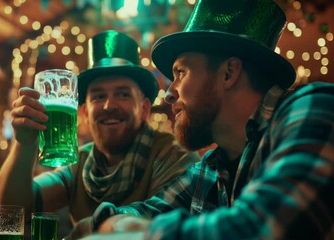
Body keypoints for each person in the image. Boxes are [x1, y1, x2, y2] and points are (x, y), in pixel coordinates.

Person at [69, 0, 334, 239]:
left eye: (180, 73)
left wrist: (144, 234)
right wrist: (118, 224)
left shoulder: (316, 108)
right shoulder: (212, 168)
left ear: (229, 73)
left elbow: (261, 228)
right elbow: (138, 212)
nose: (170, 94)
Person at [0, 30, 200, 237]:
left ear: (145, 109)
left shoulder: (173, 156)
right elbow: (10, 212)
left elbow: (157, 231)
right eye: (98, 96)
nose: (109, 105)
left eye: (123, 94)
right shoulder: (80, 163)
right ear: (84, 112)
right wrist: (25, 143)